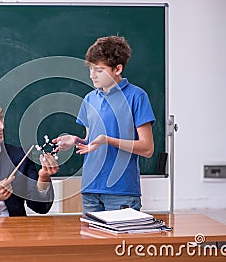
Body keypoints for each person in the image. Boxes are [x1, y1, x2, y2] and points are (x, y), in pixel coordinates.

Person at [53, 36, 155, 212]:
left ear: (118, 69)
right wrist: (76, 140)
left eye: (99, 70)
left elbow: (147, 148)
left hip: (121, 191)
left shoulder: (136, 97)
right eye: (91, 69)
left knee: (120, 240)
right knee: (92, 240)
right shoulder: (89, 99)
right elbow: (92, 142)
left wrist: (109, 140)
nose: (92, 75)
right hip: (90, 189)